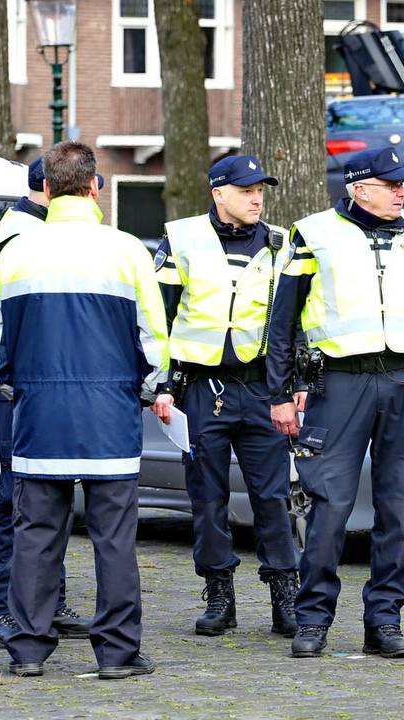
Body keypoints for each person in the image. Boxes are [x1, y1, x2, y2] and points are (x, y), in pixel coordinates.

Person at [0, 141, 168, 679]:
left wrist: (18, 389)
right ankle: (117, 652)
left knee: (35, 537)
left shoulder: (16, 251)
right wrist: (145, 389)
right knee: (114, 541)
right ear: (93, 187)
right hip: (109, 418)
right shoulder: (127, 251)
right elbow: (153, 341)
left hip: (40, 418)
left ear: (46, 188)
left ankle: (28, 649)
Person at [266, 146, 404, 659]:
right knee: (330, 505)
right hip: (339, 383)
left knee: (402, 507)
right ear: (359, 188)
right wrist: (280, 393)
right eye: (391, 184)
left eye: (403, 184)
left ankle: (385, 620)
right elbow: (282, 320)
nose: (401, 192)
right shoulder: (314, 233)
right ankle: (313, 619)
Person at [151, 155, 300, 638]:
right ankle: (219, 595)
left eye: (260, 191)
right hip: (201, 388)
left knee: (272, 497)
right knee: (208, 498)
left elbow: (293, 321)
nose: (257, 199)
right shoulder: (182, 239)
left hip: (262, 389)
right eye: (246, 191)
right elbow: (160, 316)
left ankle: (285, 595)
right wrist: (162, 385)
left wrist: (295, 385)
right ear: (219, 193)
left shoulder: (281, 243)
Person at [0, 158, 90, 648]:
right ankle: (2, 609)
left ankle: (47, 599)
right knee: (17, 497)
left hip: (38, 381)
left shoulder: (27, 229)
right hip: (22, 383)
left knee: (48, 494)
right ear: (53, 188)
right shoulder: (21, 236)